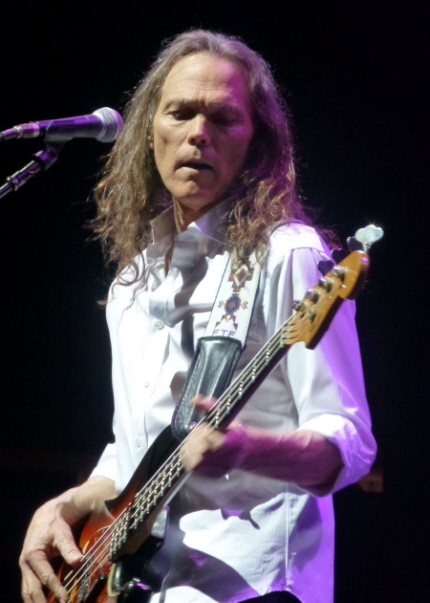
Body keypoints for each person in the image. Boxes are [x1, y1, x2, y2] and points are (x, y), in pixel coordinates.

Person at [19, 30, 377, 603]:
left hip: (253, 586)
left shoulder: (288, 254)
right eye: (180, 113)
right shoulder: (134, 282)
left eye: (223, 118)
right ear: (149, 132)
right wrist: (65, 505)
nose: (198, 134)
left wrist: (249, 448)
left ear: (256, 141)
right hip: (141, 585)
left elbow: (352, 443)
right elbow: (131, 452)